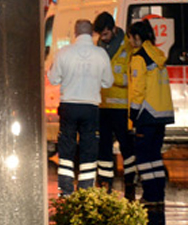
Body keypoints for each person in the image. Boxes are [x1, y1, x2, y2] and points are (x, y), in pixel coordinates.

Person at [48, 19, 114, 197]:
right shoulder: (101, 54)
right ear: (92, 33)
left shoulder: (64, 53)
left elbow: (53, 79)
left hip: (69, 105)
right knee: (89, 147)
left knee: (67, 146)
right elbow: (108, 82)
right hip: (91, 106)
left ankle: (66, 189)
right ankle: (86, 188)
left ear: (75, 33)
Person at [127, 19, 174, 205]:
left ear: (137, 37)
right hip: (161, 114)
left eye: (131, 37)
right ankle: (158, 194)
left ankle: (148, 195)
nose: (130, 42)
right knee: (155, 156)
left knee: (145, 158)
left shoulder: (139, 58)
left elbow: (139, 89)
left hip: (146, 114)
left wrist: (133, 113)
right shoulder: (158, 54)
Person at [93, 12, 136, 199]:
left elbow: (132, 77)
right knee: (103, 148)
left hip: (121, 108)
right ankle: (105, 182)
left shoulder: (128, 47)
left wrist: (111, 78)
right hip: (102, 107)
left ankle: (130, 180)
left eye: (105, 34)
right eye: (100, 35)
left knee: (127, 147)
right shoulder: (98, 48)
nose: (102, 38)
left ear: (113, 29)